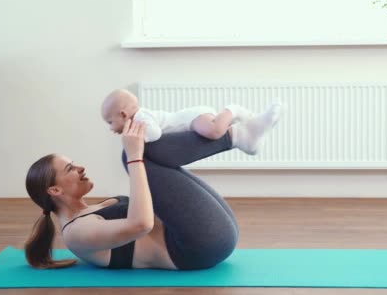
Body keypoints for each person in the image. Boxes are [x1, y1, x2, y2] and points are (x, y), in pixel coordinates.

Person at [24, 108, 281, 270]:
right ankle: (236, 136)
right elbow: (141, 224)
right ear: (54, 191)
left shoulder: (94, 210)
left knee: (143, 150)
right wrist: (134, 156)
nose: (80, 167)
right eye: (70, 168)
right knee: (132, 155)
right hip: (197, 248)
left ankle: (237, 136)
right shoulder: (76, 232)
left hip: (209, 235)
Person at [101, 89, 281, 155]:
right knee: (214, 131)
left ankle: (234, 110)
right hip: (189, 122)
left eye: (110, 121)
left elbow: (155, 133)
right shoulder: (138, 119)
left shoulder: (140, 117)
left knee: (214, 132)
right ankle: (244, 135)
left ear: (124, 114)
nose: (110, 128)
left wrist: (139, 139)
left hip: (191, 118)